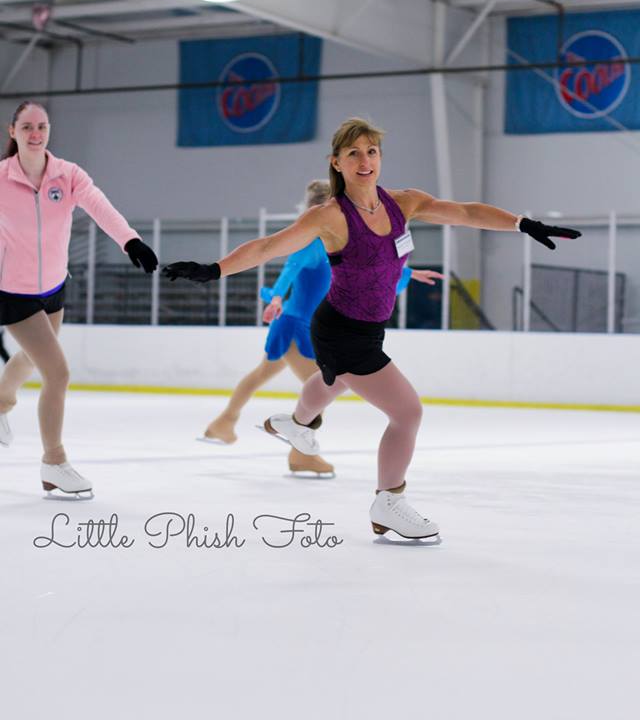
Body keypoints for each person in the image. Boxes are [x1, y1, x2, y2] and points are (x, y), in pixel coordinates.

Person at [163, 117, 580, 540]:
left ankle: (297, 424)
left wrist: (522, 224)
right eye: (354, 153)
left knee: (333, 383)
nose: (365, 161)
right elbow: (270, 246)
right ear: (337, 163)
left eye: (372, 151)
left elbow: (467, 213)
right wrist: (214, 269)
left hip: (363, 328)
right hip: (342, 328)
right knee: (407, 412)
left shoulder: (404, 203)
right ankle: (389, 501)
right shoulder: (329, 216)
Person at [202, 178, 444, 479]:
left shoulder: (338, 242)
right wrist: (277, 296)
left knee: (264, 376)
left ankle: (224, 423)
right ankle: (300, 455)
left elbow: (366, 268)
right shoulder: (313, 243)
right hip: (296, 325)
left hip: (300, 324)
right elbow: (289, 267)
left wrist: (405, 271)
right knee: (321, 389)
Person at [0, 100, 158, 498]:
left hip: (54, 286)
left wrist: (130, 240)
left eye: (42, 126)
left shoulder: (66, 175)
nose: (36, 133)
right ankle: (54, 462)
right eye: (27, 127)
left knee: (33, 359)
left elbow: (99, 206)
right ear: (12, 132)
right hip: (12, 291)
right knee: (58, 372)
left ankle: (0, 400)